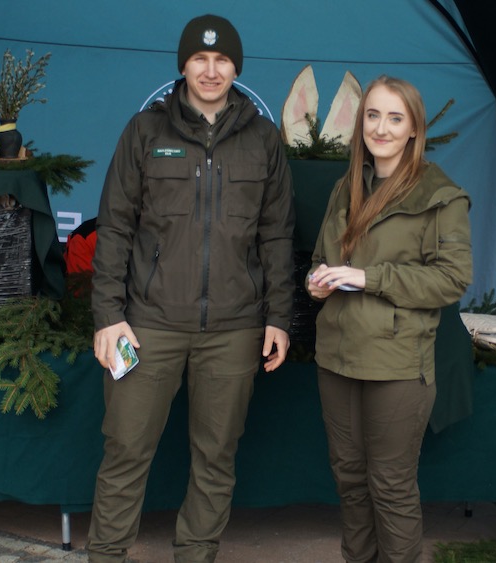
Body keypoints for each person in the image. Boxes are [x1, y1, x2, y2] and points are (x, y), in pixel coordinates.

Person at [87, 14, 295, 563]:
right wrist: (108, 316)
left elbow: (277, 235)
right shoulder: (145, 132)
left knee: (216, 456)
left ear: (236, 68)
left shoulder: (264, 139)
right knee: (126, 449)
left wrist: (278, 318)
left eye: (222, 60)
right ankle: (105, 555)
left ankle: (196, 555)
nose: (211, 70)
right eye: (200, 60)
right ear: (183, 65)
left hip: (234, 329)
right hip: (147, 324)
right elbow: (114, 228)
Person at [306, 75, 472, 563]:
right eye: (373, 115)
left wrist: (367, 277)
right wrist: (317, 283)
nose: (381, 127)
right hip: (337, 357)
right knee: (350, 480)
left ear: (414, 129)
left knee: (391, 486)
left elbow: (451, 280)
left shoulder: (441, 195)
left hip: (398, 364)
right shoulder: (347, 185)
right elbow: (321, 258)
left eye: (395, 118)